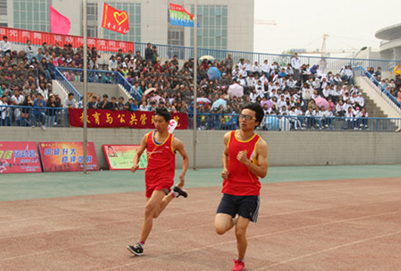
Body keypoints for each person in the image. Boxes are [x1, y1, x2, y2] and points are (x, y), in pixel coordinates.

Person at [127, 108, 189, 256]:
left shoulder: (175, 142)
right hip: (150, 177)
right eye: (155, 120)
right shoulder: (147, 137)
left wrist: (182, 174)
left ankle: (140, 245)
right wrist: (135, 163)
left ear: (168, 123)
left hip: (165, 179)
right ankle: (174, 194)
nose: (156, 124)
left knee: (148, 209)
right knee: (154, 214)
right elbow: (138, 152)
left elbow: (185, 157)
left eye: (160, 121)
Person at [214, 102, 268, 271]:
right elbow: (225, 154)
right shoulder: (228, 136)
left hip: (249, 193)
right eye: (241, 116)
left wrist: (246, 162)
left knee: (239, 233)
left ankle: (240, 260)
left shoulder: (260, 144)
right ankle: (239, 219)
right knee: (220, 228)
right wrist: (225, 168)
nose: (243, 120)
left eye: (248, 117)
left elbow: (263, 172)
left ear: (256, 122)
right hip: (230, 190)